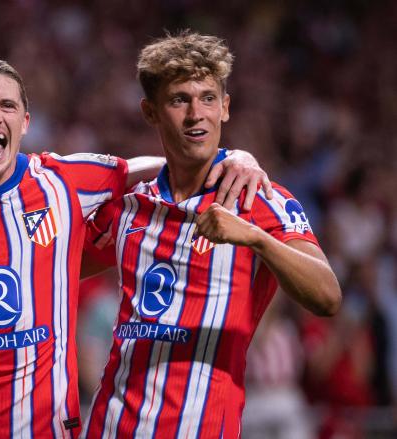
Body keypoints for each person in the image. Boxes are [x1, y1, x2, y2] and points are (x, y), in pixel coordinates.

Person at [0, 57, 270, 438]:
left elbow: (154, 167)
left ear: (25, 121)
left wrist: (233, 157)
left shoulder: (62, 182)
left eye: (7, 106)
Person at [80, 31, 342, 438]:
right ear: (150, 112)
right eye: (179, 99)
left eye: (207, 98)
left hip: (204, 427)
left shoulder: (260, 200)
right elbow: (56, 266)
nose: (195, 113)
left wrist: (256, 238)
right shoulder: (129, 204)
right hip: (111, 425)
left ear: (225, 107)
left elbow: (327, 296)